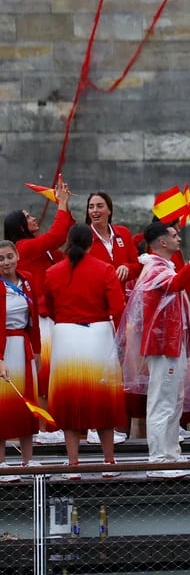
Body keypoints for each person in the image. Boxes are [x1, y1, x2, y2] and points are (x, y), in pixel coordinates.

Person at [119, 222, 190, 477]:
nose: (179, 238)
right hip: (163, 344)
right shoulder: (154, 268)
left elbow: (182, 283)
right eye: (174, 235)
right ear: (161, 243)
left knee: (174, 400)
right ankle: (159, 458)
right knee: (162, 401)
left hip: (173, 342)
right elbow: (177, 284)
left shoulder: (164, 267)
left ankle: (171, 453)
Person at [43, 225, 125, 478]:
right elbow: (118, 306)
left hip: (66, 335)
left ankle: (73, 464)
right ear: (91, 242)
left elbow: (49, 306)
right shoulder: (104, 269)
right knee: (103, 397)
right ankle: (109, 462)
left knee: (70, 398)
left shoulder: (52, 272)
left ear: (68, 242)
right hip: (98, 333)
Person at [5, 176, 72, 444]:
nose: (34, 218)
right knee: (42, 375)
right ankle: (44, 426)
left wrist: (65, 205)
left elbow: (64, 237)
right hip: (39, 320)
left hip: (54, 316)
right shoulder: (22, 248)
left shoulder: (41, 250)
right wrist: (62, 204)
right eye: (29, 217)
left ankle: (51, 421)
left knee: (55, 373)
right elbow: (57, 234)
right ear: (20, 227)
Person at [0, 240, 42, 474]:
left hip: (22, 346)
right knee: (2, 406)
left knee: (28, 403)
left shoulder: (26, 281)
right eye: (0, 258)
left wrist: (37, 350)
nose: (6, 262)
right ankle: (1, 463)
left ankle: (28, 459)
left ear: (17, 256)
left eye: (9, 256)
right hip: (2, 348)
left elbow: (33, 321)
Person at [85, 192, 140, 288]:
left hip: (122, 297)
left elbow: (137, 265)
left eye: (100, 206)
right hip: (95, 297)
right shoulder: (83, 237)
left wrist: (127, 267)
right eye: (91, 207)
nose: (95, 210)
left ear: (109, 210)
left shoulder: (124, 233)